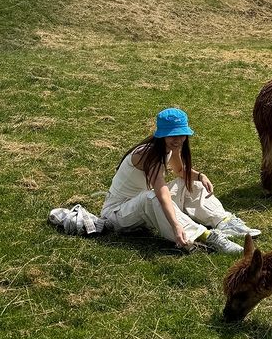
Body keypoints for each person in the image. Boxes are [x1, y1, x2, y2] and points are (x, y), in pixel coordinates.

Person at [100, 107, 259, 257]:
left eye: (181, 134)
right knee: (152, 197)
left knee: (191, 182)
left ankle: (224, 221)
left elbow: (180, 171)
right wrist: (176, 225)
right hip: (118, 214)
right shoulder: (147, 153)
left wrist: (200, 176)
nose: (178, 140)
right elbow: (161, 194)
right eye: (172, 135)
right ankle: (207, 237)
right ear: (161, 135)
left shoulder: (170, 148)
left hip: (141, 206)